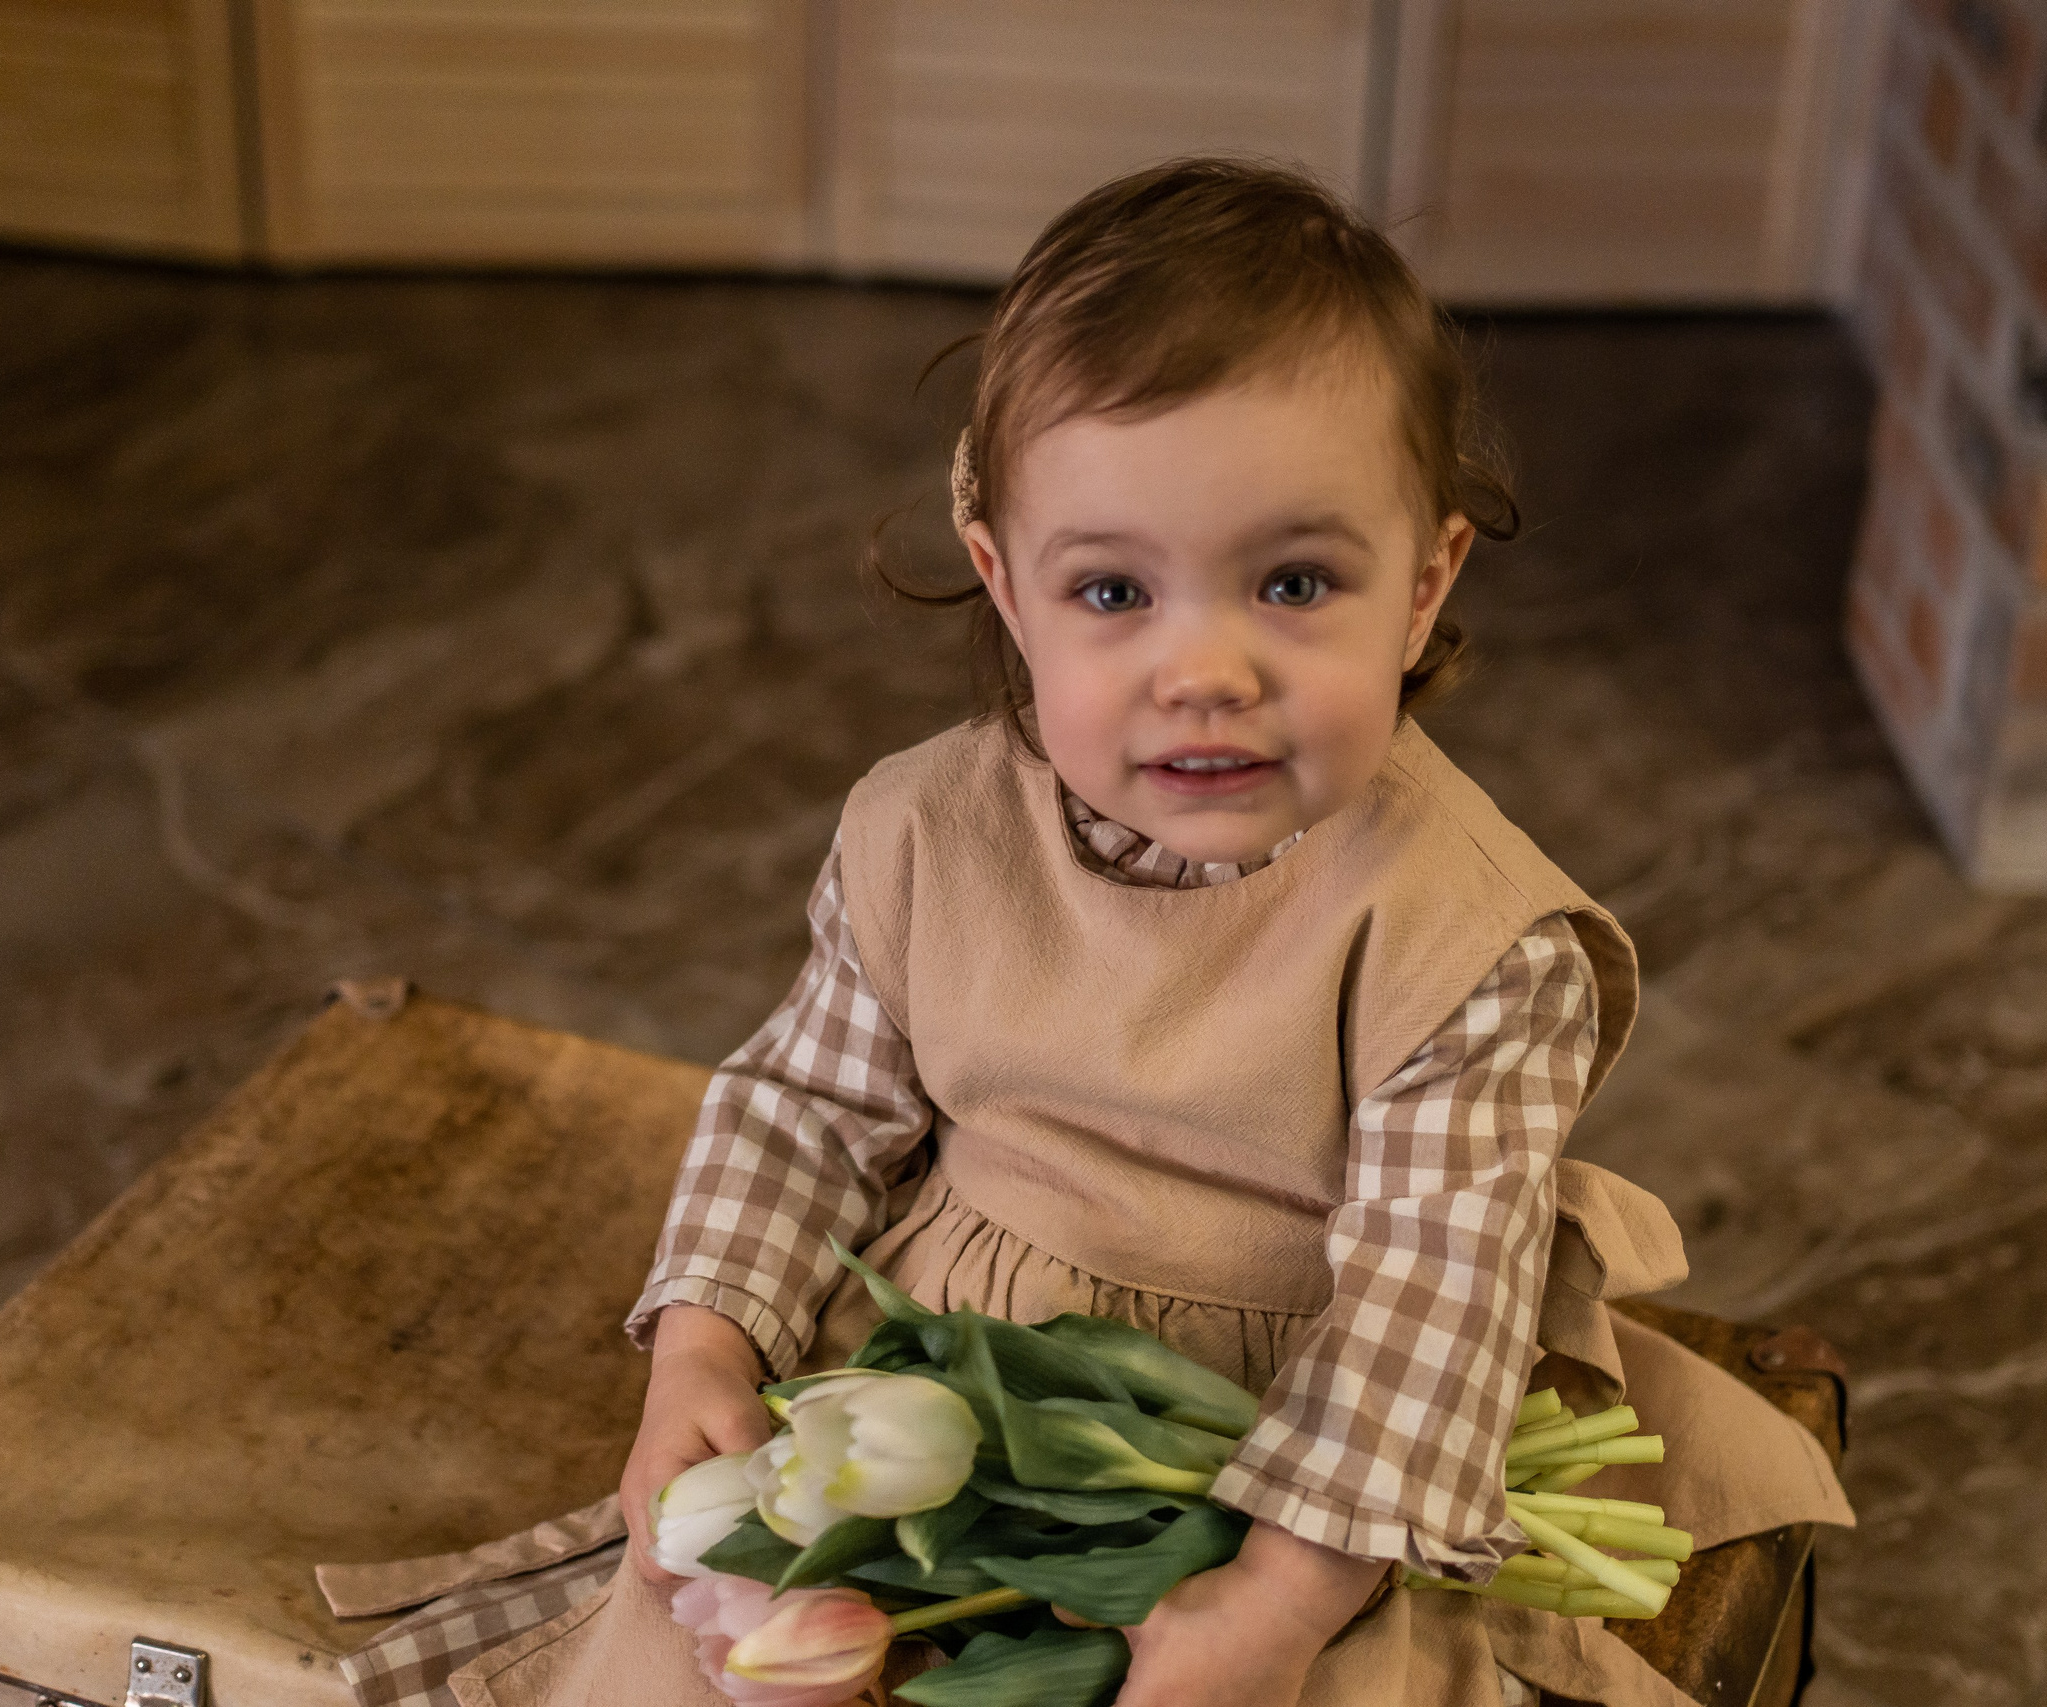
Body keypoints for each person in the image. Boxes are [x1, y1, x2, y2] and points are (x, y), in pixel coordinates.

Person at [561, 159, 1846, 1707]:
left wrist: (1280, 1600)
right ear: (1007, 586)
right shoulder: (923, 835)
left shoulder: (1472, 948)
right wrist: (705, 1343)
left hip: (1276, 1447)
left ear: (1426, 586)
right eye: (1114, 589)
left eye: (1294, 582)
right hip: (933, 1379)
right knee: (703, 1660)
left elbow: (1423, 1311)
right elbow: (804, 1112)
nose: (1206, 669)